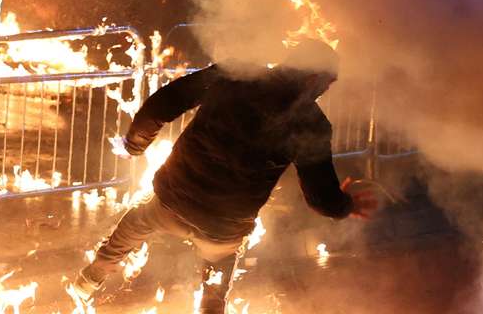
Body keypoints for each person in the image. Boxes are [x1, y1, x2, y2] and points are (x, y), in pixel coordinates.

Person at [69, 39, 378, 313]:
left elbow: (163, 104)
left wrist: (135, 144)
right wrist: (345, 205)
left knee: (134, 225)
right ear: (312, 78)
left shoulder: (235, 73)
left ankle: (87, 282)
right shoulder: (311, 124)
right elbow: (321, 198)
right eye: (327, 83)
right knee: (214, 289)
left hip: (171, 200)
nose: (326, 90)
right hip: (223, 229)